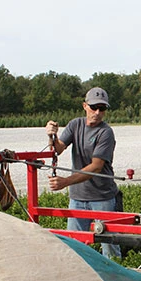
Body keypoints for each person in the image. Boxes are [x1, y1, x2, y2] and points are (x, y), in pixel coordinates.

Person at [45, 87, 122, 260]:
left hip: (102, 198)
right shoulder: (75, 125)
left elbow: (96, 167)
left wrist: (65, 182)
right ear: (85, 106)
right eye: (94, 107)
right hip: (78, 198)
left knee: (109, 249)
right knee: (74, 246)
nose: (97, 112)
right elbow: (58, 149)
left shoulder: (106, 132)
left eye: (102, 109)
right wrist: (52, 135)